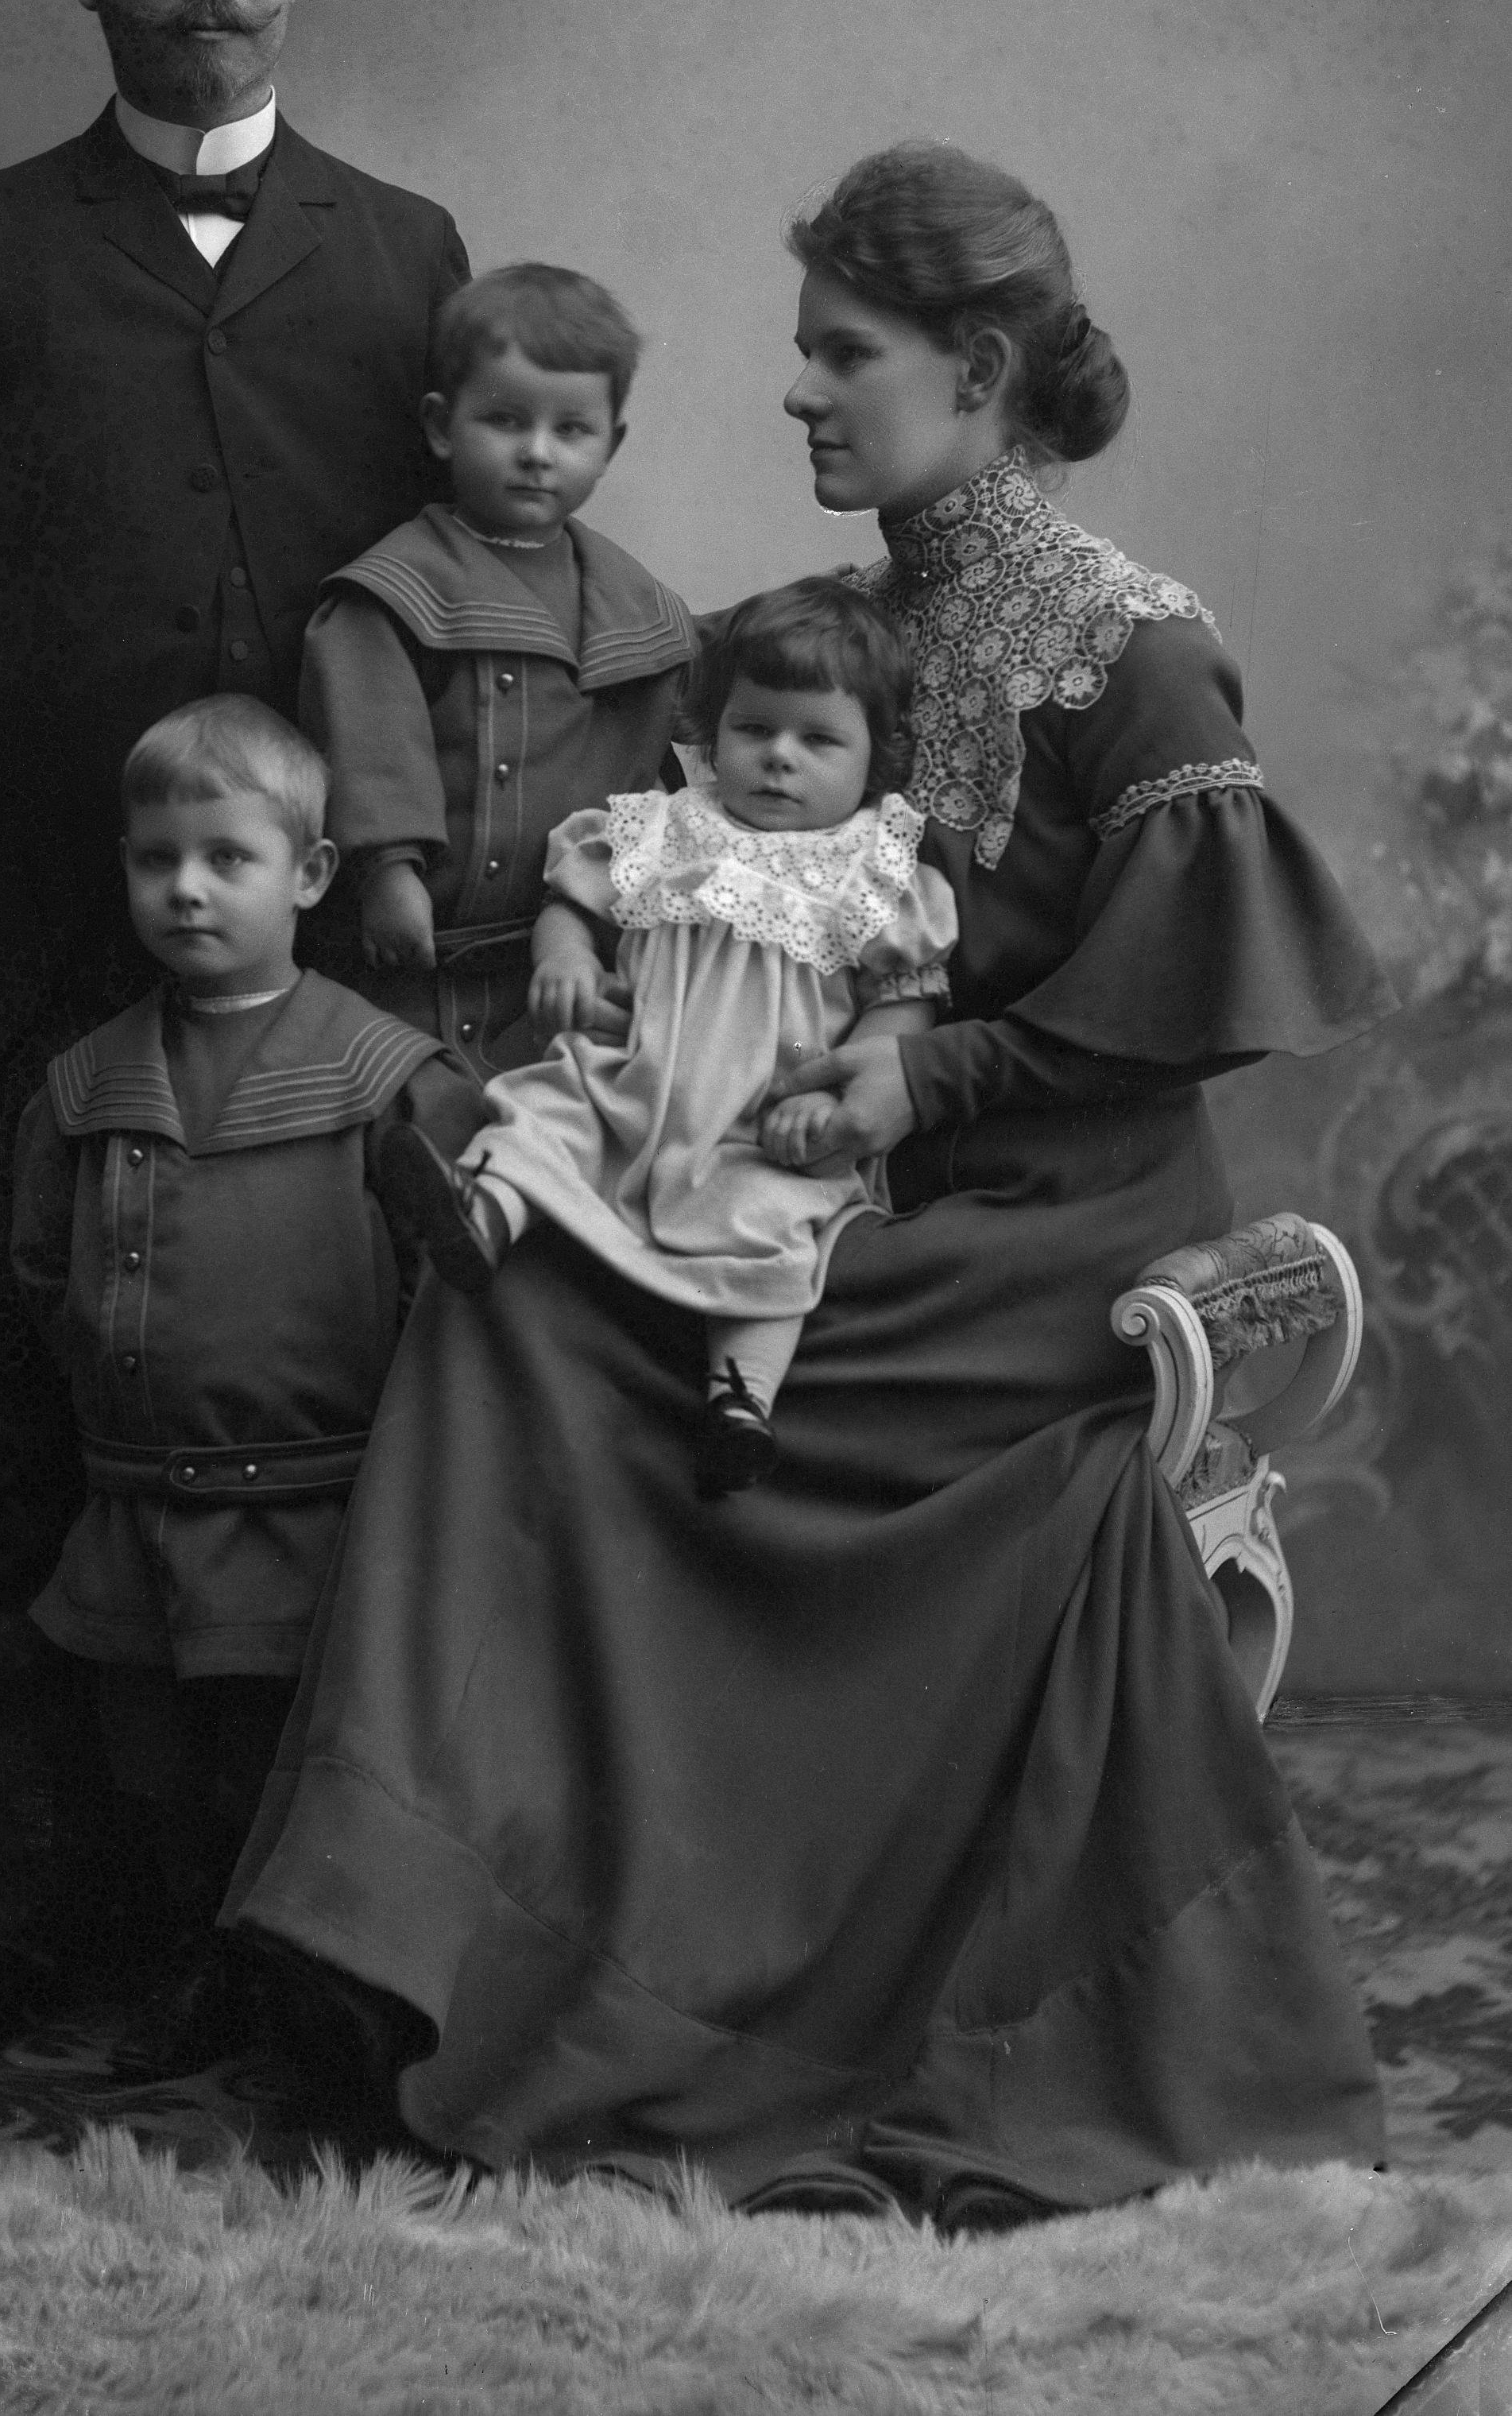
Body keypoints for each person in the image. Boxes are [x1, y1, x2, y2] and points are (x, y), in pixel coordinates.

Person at [223, 141, 1394, 2227]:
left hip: (1045, 1220)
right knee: (514, 1296)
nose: (795, 391)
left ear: (977, 370)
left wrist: (921, 1076)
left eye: (838, 353)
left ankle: (671, 1983)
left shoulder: (1129, 651)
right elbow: (669, 854)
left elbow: (1171, 1010)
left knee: (584, 1328)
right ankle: (406, 1932)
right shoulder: (840, 630)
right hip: (830, 1173)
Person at [0, 0, 469, 2073]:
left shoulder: (402, 251)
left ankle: (286, 1907)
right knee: (24, 1411)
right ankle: (12, 1897)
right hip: (24, 925)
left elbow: (471, 591)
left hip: (319, 963)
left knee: (312, 1415)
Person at [7, 699, 481, 2063]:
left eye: (228, 858)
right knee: (153, 1761)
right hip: (139, 1501)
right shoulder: (87, 1085)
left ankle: (295, 1991)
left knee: (274, 1757)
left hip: (315, 1504)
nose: (188, 888)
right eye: (158, 859)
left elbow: (447, 1292)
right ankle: (191, 1968)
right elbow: (44, 1269)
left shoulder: (388, 1076)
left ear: (312, 874)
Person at [380, 579, 957, 1498]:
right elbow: (572, 903)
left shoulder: (874, 870)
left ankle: (741, 1399)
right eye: (753, 728)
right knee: (543, 1113)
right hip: (630, 1078)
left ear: (876, 758)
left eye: (817, 740)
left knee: (775, 1223)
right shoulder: (664, 826)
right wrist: (565, 959)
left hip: (762, 1117)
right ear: (713, 732)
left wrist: (830, 1096)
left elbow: (902, 1002)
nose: (777, 757)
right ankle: (479, 1217)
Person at [299, 265, 694, 1079]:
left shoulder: (633, 603)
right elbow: (372, 739)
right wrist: (388, 869)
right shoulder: (394, 591)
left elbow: (655, 741)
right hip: (421, 946)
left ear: (610, 444)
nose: (536, 454)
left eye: (571, 430)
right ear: (442, 426)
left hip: (570, 946)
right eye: (504, 420)